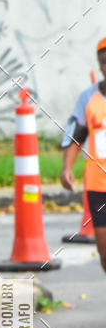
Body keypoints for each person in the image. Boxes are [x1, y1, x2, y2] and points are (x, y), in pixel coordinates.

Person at [61, 36, 106, 271]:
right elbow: (75, 136)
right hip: (99, 186)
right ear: (100, 65)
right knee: (104, 250)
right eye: (105, 61)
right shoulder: (88, 98)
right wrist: (66, 168)